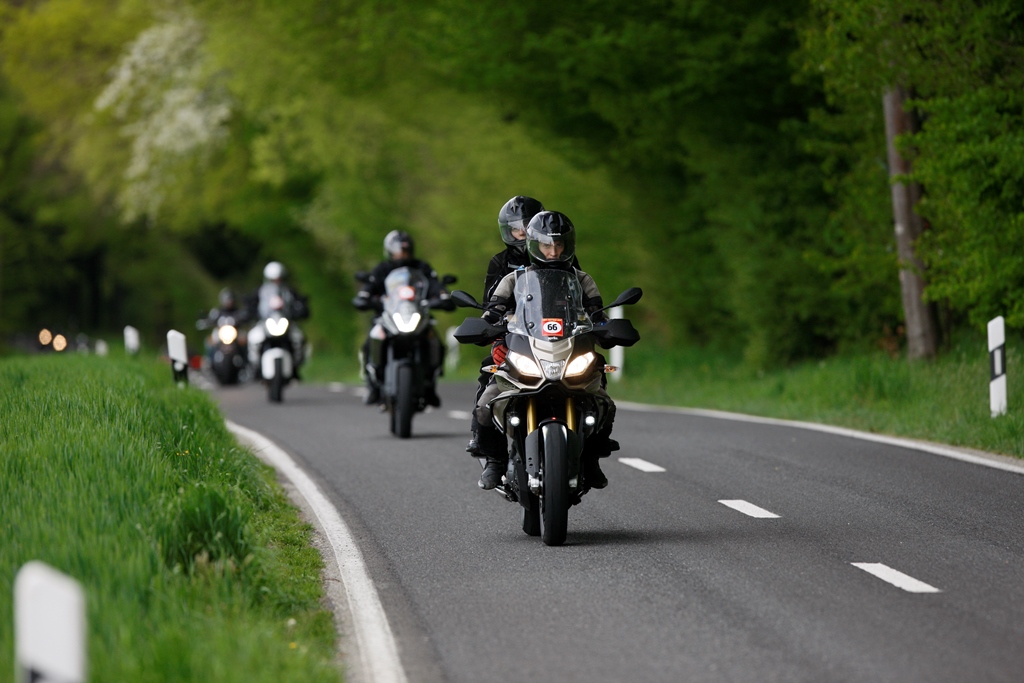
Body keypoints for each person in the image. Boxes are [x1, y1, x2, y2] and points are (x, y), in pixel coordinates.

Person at [473, 210, 617, 490]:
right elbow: (492, 312)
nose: (553, 251)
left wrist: (607, 327)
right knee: (485, 404)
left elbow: (597, 313)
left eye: (559, 245)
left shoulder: (582, 279)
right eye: (546, 245)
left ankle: (591, 460)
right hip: (525, 349)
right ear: (533, 245)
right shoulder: (514, 279)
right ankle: (495, 462)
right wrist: (486, 326)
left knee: (604, 401)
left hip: (570, 350)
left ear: (568, 245)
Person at [352, 230, 450, 406]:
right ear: (389, 251)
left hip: (417, 315)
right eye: (398, 250)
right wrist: (365, 296)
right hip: (388, 317)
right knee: (370, 341)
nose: (402, 254)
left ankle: (430, 384)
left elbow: (435, 285)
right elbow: (370, 286)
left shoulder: (422, 268)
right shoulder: (382, 269)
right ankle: (372, 384)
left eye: (405, 250)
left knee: (435, 341)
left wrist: (443, 296)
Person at [248, 261, 310, 376]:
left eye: (279, 279)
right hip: (265, 322)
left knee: (298, 338)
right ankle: (255, 365)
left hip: (286, 322)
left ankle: (296, 364)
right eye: (273, 280)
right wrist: (249, 312)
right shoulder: (260, 292)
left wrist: (301, 310)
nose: (276, 282)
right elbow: (251, 305)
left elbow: (300, 303)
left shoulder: (289, 291)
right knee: (253, 338)